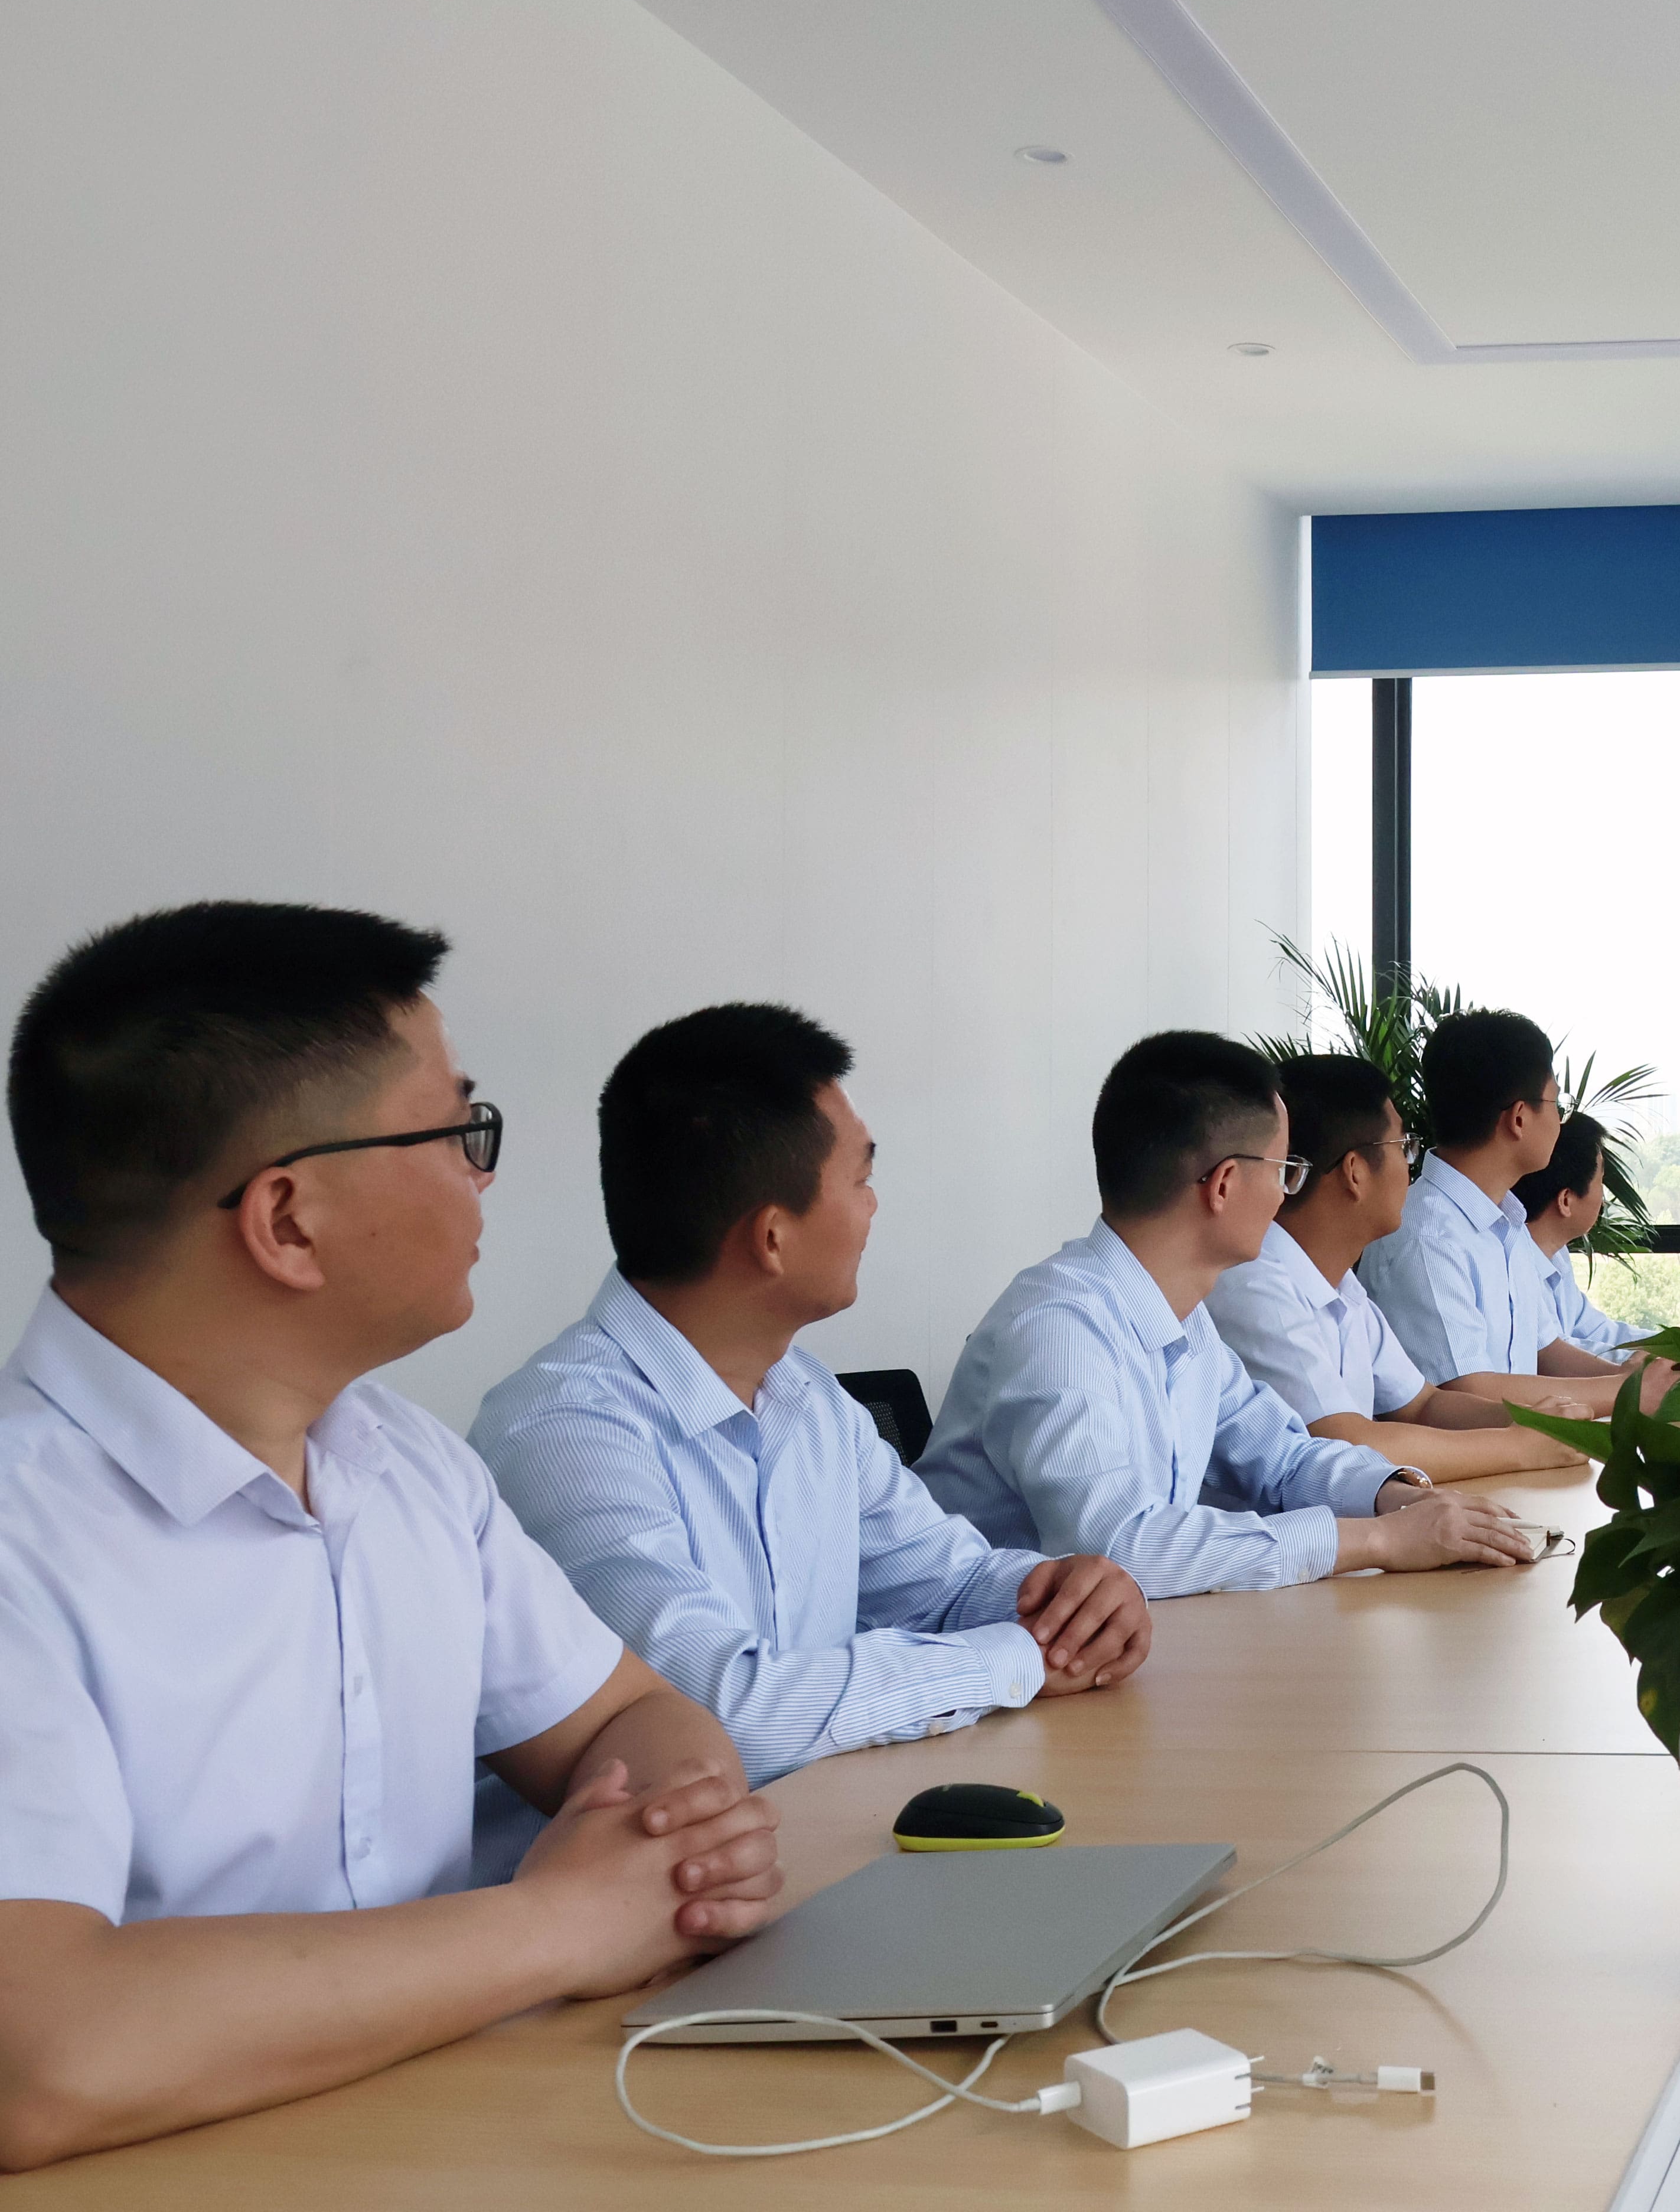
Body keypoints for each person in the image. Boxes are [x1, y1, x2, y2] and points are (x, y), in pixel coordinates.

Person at [0, 905, 779, 2171]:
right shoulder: (23, 1536)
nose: (483, 1173)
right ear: (287, 1219)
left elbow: (632, 1713)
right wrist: (566, 1924)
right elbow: (36, 2056)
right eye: (458, 1129)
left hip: (462, 2142)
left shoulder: (405, 1462)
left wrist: (674, 1849)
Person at [475, 1006, 1151, 1800]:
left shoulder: (806, 1396)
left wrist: (1069, 1601)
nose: (874, 1206)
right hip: (658, 1864)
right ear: (772, 1238)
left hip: (821, 1828)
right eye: (861, 1179)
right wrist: (1017, 1658)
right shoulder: (564, 1434)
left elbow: (947, 1585)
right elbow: (720, 1720)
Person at [918, 1032, 1538, 1591]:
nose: (1288, 1196)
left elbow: (1285, 1457)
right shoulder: (1059, 1328)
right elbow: (1118, 1548)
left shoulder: (1185, 1322)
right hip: (989, 1668)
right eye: (1286, 1171)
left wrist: (1396, 1499)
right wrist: (1377, 1541)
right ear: (1224, 1185)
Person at [1206, 1053, 1584, 1484]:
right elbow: (1345, 1442)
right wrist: (1520, 1447)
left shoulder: (1342, 1286)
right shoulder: (1256, 1285)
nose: (1411, 1167)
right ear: (1355, 1172)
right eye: (1404, 1148)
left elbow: (1422, 1404)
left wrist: (1535, 1422)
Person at [1356, 1010, 1665, 1417]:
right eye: (1556, 1104)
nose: (1560, 1122)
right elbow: (1465, 1389)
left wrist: (1637, 1384)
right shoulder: (1427, 1235)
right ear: (1519, 1118)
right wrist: (1625, 1391)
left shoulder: (1507, 1223)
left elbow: (1544, 1351)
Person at [1513, 1110, 1658, 1363]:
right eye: (1601, 1182)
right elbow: (1556, 1357)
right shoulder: (1511, 1265)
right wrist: (1656, 1366)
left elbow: (1598, 1332)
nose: (1605, 1200)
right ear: (1566, 1200)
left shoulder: (1556, 1255)